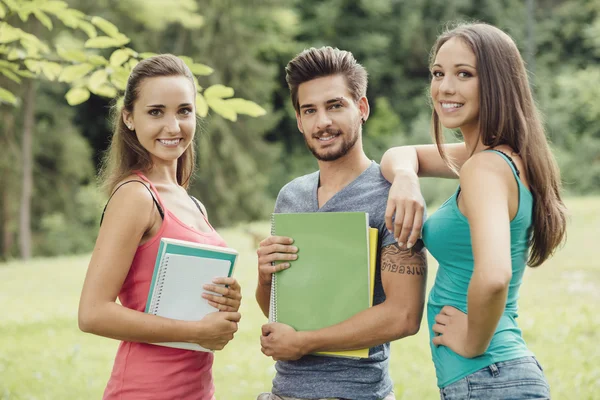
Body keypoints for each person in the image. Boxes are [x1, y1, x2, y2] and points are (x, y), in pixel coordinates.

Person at [380, 23, 567, 399]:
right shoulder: (499, 158)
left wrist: (472, 341)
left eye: (464, 74)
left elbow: (495, 275)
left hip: (489, 375)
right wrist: (404, 178)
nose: (445, 87)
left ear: (497, 83)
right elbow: (400, 155)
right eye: (438, 73)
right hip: (495, 378)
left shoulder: (484, 169)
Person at [255, 46, 428, 400]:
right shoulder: (290, 196)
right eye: (310, 111)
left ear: (361, 108)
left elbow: (404, 316)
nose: (323, 122)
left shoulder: (392, 195)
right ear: (299, 121)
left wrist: (304, 343)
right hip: (282, 393)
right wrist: (265, 275)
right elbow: (284, 308)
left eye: (335, 105)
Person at [78, 54, 242, 400]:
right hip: (145, 390)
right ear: (129, 119)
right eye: (156, 112)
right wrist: (196, 331)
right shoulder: (136, 196)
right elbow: (92, 314)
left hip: (197, 390)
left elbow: (176, 298)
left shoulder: (192, 203)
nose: (173, 126)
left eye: (184, 111)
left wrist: (223, 299)